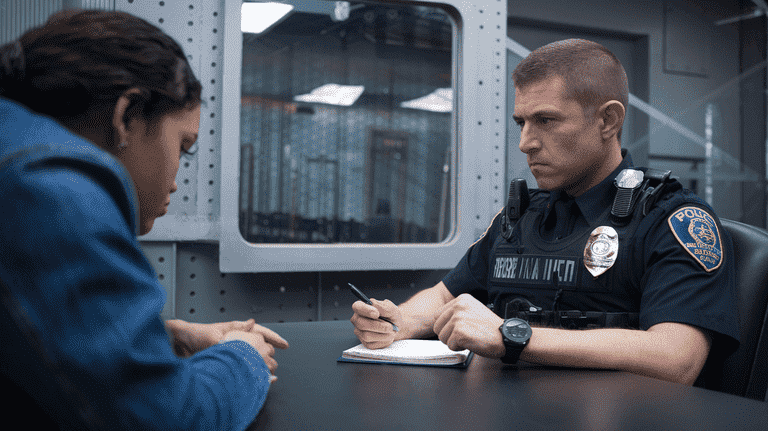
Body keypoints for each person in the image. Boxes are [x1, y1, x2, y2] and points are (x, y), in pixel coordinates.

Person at [350, 39, 739, 387]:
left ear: (608, 120)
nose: (525, 143)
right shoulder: (519, 219)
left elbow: (677, 359)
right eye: (522, 122)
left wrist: (510, 336)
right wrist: (396, 321)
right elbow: (442, 296)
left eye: (546, 121)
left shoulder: (674, 220)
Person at [0, 9, 288, 430]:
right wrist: (241, 355)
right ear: (127, 115)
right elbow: (170, 419)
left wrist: (165, 336)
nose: (177, 176)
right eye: (183, 146)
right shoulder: (48, 190)